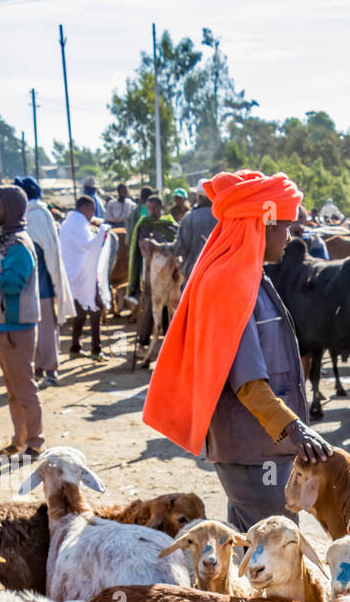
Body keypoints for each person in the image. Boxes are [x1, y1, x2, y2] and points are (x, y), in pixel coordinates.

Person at [142, 170, 331, 530]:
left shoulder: (244, 275)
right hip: (253, 451)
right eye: (285, 227)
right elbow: (249, 384)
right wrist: (296, 429)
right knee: (274, 554)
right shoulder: (231, 282)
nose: (290, 237)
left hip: (258, 448)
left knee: (252, 552)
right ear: (262, 225)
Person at [0, 184, 44, 458]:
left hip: (18, 327)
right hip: (3, 325)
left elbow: (11, 283)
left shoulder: (19, 245)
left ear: (9, 210)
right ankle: (19, 440)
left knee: (24, 387)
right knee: (13, 389)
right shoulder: (3, 240)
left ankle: (34, 442)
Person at [15, 175, 74, 385]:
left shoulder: (34, 214)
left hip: (34, 283)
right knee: (43, 327)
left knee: (41, 328)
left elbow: (48, 252)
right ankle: (43, 368)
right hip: (36, 283)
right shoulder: (34, 213)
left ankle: (47, 368)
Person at [59, 195, 112, 359]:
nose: (92, 214)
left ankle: (75, 346)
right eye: (92, 210)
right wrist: (103, 231)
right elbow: (89, 245)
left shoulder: (68, 222)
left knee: (80, 310)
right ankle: (96, 349)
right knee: (96, 308)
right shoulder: (78, 223)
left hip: (74, 273)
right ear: (84, 208)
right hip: (84, 274)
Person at [127, 194, 177, 304]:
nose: (152, 211)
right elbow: (143, 247)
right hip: (152, 266)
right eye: (149, 208)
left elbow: (177, 242)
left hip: (170, 266)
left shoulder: (170, 224)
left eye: (154, 207)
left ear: (161, 207)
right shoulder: (144, 225)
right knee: (152, 299)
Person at [173, 181, 218, 282]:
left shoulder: (189, 217)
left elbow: (179, 249)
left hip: (193, 275)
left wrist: (162, 247)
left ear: (199, 197)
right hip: (218, 275)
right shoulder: (222, 216)